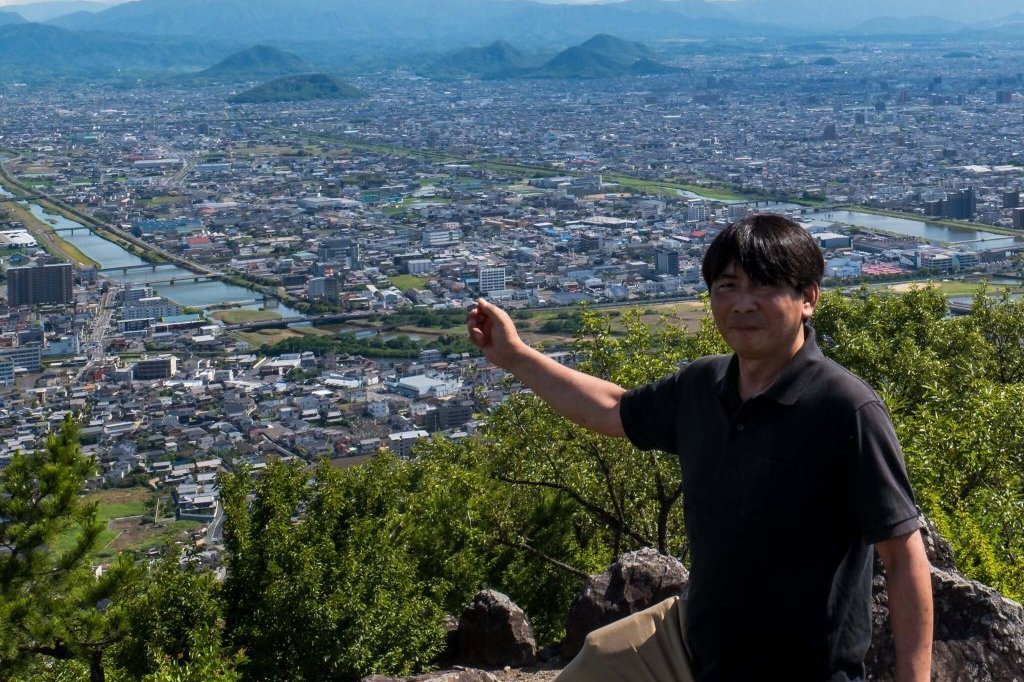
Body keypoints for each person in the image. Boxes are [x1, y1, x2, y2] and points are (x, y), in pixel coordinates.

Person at [466, 213, 933, 682]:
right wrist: (514, 355)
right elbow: (611, 408)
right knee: (594, 666)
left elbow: (903, 556)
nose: (743, 304)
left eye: (764, 286)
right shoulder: (703, 386)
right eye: (727, 286)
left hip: (803, 669)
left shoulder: (845, 410)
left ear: (808, 298)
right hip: (695, 643)